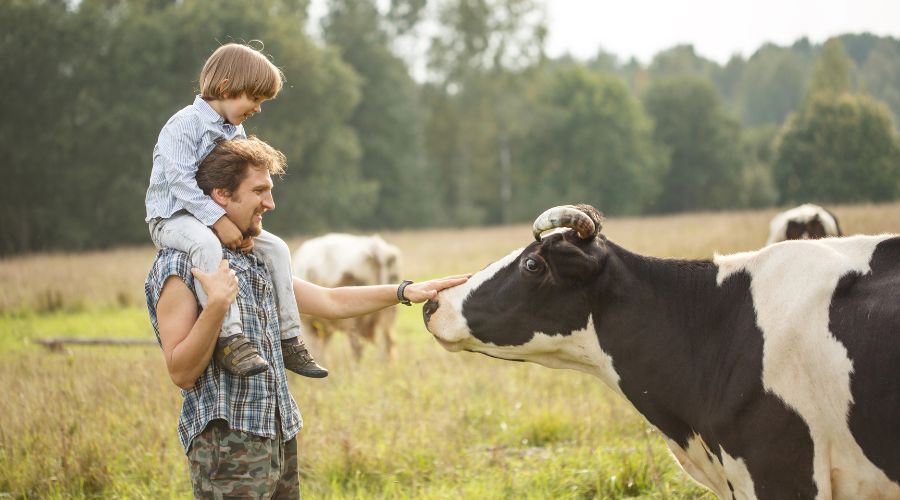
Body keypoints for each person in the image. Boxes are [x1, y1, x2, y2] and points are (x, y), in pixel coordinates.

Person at [145, 136, 468, 498]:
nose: (270, 202)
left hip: (279, 432)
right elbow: (181, 371)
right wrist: (217, 305)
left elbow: (330, 301)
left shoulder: (254, 258)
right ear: (221, 195)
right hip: (226, 446)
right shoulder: (179, 266)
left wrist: (404, 291)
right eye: (260, 191)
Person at [145, 42, 327, 378]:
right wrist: (220, 222)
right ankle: (231, 338)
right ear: (227, 89)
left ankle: (289, 337)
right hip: (172, 217)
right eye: (254, 99)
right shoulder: (183, 125)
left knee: (276, 248)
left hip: (213, 218)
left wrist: (238, 226)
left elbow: (234, 186)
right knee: (206, 244)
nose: (257, 109)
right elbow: (182, 184)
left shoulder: (235, 131)